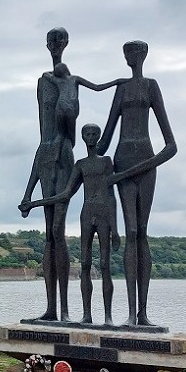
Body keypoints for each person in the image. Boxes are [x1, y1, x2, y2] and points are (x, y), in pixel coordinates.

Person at [19, 29, 124, 322]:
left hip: (62, 154)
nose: (55, 47)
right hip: (46, 153)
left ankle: (64, 309)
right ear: (48, 45)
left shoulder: (70, 84)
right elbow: (41, 143)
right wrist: (28, 193)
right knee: (49, 238)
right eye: (51, 42)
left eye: (59, 42)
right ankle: (53, 308)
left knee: (57, 233)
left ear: (65, 45)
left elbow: (70, 122)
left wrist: (68, 101)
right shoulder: (43, 83)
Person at [97, 41, 177, 327]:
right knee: (131, 230)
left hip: (144, 162)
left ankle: (142, 313)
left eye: (135, 52)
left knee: (142, 232)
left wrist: (138, 168)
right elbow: (104, 140)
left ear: (143, 55)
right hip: (122, 160)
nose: (131, 57)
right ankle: (131, 314)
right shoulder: (120, 89)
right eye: (126, 53)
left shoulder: (151, 87)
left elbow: (171, 146)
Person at [20, 123, 121, 325]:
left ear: (99, 137)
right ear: (83, 137)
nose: (91, 137)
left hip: (103, 213)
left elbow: (111, 195)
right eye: (87, 134)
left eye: (94, 134)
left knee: (105, 265)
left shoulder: (106, 162)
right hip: (87, 213)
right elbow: (65, 194)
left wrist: (115, 229)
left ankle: (108, 316)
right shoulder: (80, 165)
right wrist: (34, 203)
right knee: (85, 264)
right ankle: (87, 315)